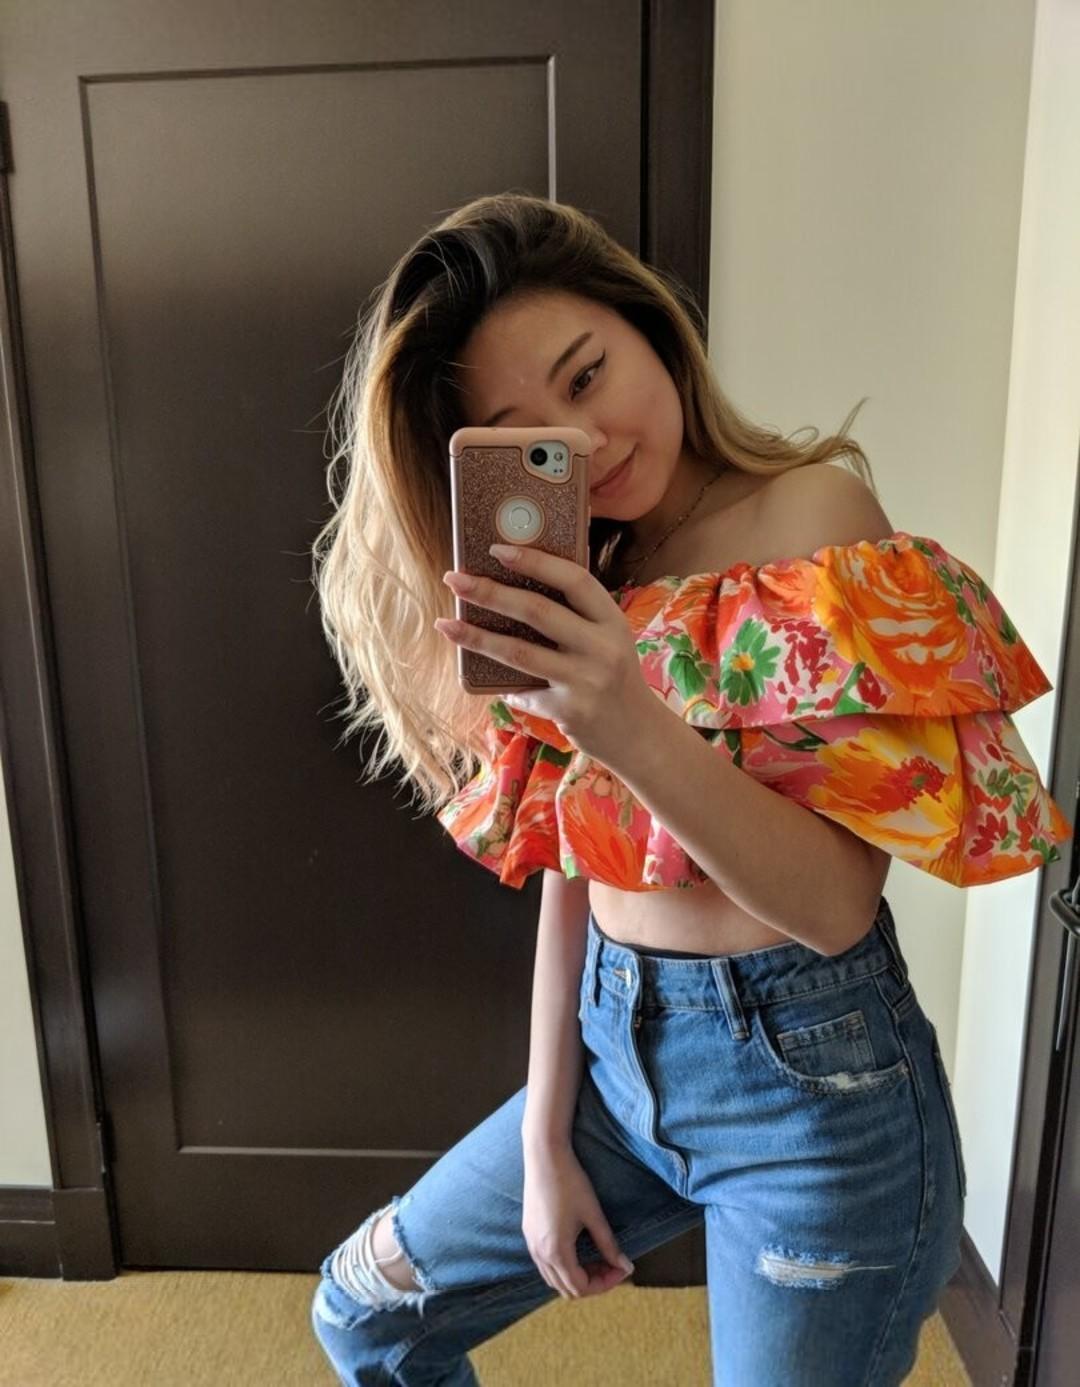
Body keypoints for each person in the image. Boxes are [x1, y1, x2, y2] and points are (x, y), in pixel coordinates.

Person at [308, 193, 1071, 1385]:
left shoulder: (814, 521)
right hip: (612, 1051)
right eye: (531, 434)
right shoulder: (584, 563)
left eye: (587, 374)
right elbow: (575, 857)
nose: (589, 437)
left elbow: (833, 909)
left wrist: (623, 717)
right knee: (365, 1311)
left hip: (816, 1095)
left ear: (650, 324)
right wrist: (545, 1132)